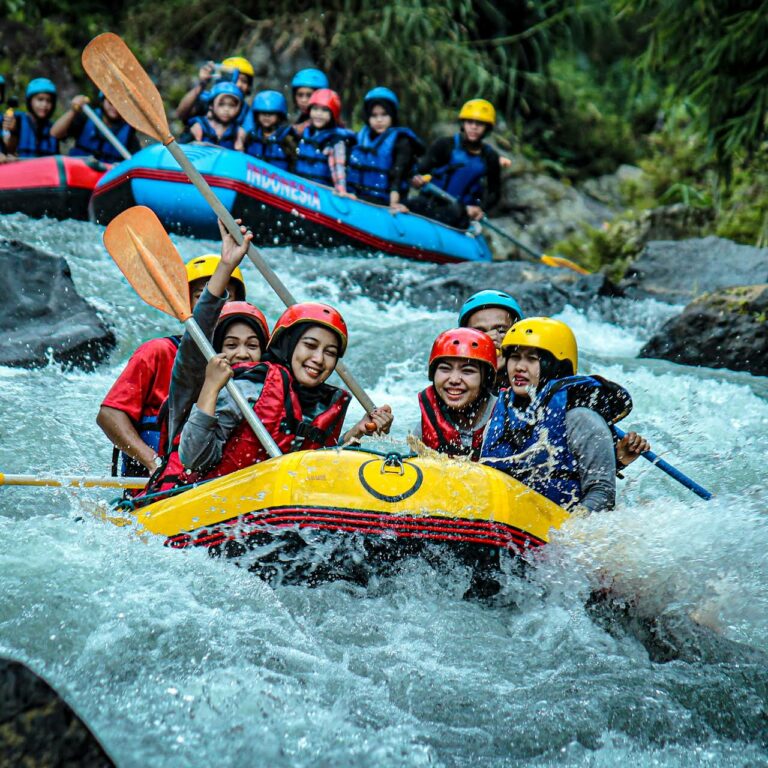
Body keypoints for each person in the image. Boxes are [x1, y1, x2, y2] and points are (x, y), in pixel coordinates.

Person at [145, 222, 393, 493]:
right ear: (288, 346)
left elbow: (314, 469)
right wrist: (226, 266)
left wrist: (356, 433)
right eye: (309, 345)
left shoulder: (320, 403)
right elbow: (194, 460)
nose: (319, 359)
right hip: (201, 504)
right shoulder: (249, 387)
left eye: (330, 352)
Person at [97, 255, 246, 477]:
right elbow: (109, 415)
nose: (216, 304)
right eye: (201, 297)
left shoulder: (247, 362)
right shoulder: (157, 352)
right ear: (185, 304)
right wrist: (154, 463)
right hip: (154, 487)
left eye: (225, 297)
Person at [481, 317, 637, 513]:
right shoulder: (503, 407)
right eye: (515, 357)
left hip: (562, 527)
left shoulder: (581, 418)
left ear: (556, 365)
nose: (519, 367)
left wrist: (568, 531)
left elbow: (602, 494)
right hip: (511, 516)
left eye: (532, 358)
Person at [409, 99, 501, 229]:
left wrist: (479, 208)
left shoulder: (490, 157)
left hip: (460, 212)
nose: (473, 127)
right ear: (463, 124)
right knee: (412, 204)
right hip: (431, 201)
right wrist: (416, 178)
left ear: (487, 128)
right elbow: (421, 168)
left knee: (454, 213)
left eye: (479, 124)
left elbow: (494, 193)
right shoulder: (445, 145)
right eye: (470, 122)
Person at [413, 328, 498, 461]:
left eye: (467, 371)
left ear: (485, 379)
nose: (454, 380)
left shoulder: (504, 418)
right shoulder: (426, 425)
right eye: (445, 369)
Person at [347, 87, 424, 211]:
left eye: (384, 114)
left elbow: (398, 173)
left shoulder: (402, 141)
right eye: (374, 115)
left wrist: (394, 202)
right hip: (357, 196)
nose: (379, 120)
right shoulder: (359, 137)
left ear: (392, 115)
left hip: (385, 201)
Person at [458, 290, 524, 392]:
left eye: (501, 331)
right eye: (480, 333)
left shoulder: (540, 383)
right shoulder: (453, 386)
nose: (492, 338)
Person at [294, 89, 355, 193]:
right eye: (315, 109)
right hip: (301, 189)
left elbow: (338, 168)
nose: (319, 114)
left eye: (324, 110)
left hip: (321, 193)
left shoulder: (336, 140)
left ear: (332, 114)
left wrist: (341, 190)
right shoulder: (305, 132)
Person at [50, 92, 138, 163]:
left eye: (119, 105)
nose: (114, 107)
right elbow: (55, 133)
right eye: (111, 102)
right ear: (102, 101)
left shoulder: (129, 133)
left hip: (106, 181)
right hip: (79, 175)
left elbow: (136, 163)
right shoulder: (87, 117)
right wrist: (73, 111)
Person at [176, 55, 255, 127]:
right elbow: (181, 114)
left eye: (244, 81)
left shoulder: (247, 113)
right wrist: (202, 84)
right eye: (234, 78)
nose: (238, 84)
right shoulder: (207, 100)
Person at [236, 90, 297, 171]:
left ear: (280, 115)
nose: (266, 116)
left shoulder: (287, 139)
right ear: (256, 115)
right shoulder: (251, 136)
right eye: (263, 113)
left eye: (271, 113)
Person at [2, 78, 59, 158]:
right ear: (30, 101)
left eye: (49, 101)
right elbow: (7, 149)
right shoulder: (17, 119)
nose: (44, 104)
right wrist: (13, 132)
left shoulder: (54, 128)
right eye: (40, 99)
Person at [186, 82, 243, 148]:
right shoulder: (199, 126)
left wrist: (240, 148)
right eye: (221, 104)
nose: (226, 109)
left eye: (232, 105)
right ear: (211, 105)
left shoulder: (237, 132)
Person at [290, 68, 329, 132]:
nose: (304, 100)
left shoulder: (326, 121)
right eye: (300, 95)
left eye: (309, 95)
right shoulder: (301, 118)